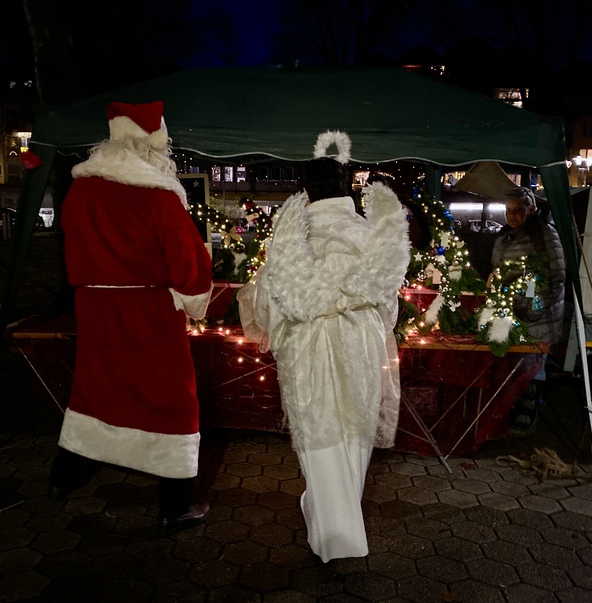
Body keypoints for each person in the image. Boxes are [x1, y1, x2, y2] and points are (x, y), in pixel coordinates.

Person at [237, 130, 410, 560]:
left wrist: (273, 329)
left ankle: (336, 530)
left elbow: (269, 299)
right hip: (361, 339)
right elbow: (389, 299)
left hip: (308, 342)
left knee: (319, 428)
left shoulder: (290, 237)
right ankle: (333, 516)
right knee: (355, 427)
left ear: (305, 191)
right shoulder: (370, 233)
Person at [50, 100, 214, 533]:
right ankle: (175, 505)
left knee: (96, 388)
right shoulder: (159, 196)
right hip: (147, 310)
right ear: (153, 144)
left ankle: (63, 476)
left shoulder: (81, 189)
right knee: (172, 401)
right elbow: (189, 263)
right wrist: (194, 302)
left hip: (94, 307)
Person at [490, 186, 566, 433]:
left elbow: (553, 279)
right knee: (516, 364)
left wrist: (532, 310)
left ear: (531, 209)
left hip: (536, 318)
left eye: (518, 210)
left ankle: (526, 417)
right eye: (508, 211)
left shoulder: (543, 236)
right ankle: (513, 411)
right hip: (514, 312)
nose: (512, 216)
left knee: (534, 365)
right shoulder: (507, 236)